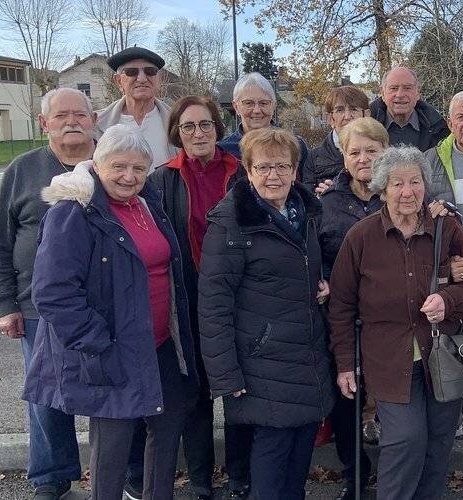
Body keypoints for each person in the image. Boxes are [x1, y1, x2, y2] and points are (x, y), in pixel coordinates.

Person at [25, 124, 198, 500]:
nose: (129, 176)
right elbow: (52, 292)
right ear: (98, 165)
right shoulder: (74, 213)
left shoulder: (148, 205)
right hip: (111, 345)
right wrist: (98, 341)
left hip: (160, 343)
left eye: (138, 168)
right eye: (119, 166)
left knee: (167, 428)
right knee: (113, 443)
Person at [328, 146, 463, 500]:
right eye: (397, 183)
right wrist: (344, 365)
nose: (407, 191)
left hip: (442, 357)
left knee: (439, 442)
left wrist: (448, 300)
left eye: (415, 182)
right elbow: (340, 304)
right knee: (405, 440)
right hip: (388, 360)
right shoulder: (362, 236)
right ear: (383, 188)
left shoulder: (447, 228)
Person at [197, 127, 335, 500]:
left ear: (295, 171)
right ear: (248, 170)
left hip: (306, 357)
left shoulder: (304, 212)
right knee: (271, 467)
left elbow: (302, 263)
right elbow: (213, 303)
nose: (273, 175)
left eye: (282, 166)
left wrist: (321, 280)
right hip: (261, 362)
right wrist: (225, 374)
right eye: (263, 167)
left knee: (298, 461)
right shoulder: (231, 222)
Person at [0, 87, 94, 500]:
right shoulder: (23, 170)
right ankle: (51, 476)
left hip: (101, 304)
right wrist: (5, 304)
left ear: (93, 118)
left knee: (111, 391)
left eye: (80, 114)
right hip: (36, 308)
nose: (72, 121)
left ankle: (121, 469)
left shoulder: (110, 164)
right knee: (47, 397)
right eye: (61, 115)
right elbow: (1, 242)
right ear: (43, 123)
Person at [144, 95, 243, 500]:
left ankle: (239, 475)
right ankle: (202, 479)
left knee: (239, 388)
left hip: (237, 296)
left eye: (205, 125)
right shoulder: (162, 179)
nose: (198, 133)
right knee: (195, 390)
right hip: (186, 297)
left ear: (218, 128)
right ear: (177, 133)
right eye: (188, 127)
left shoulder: (240, 172)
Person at [316, 116, 386, 499]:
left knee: (392, 399)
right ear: (344, 157)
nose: (364, 159)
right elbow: (314, 253)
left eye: (371, 151)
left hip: (388, 321)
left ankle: (394, 474)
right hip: (341, 319)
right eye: (355, 152)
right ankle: (354, 474)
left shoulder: (400, 195)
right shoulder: (325, 204)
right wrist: (321, 278)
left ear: (384, 153)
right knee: (347, 400)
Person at [218, 72, 319, 191]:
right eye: (249, 103)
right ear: (236, 106)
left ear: (274, 106)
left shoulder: (295, 146)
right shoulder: (223, 151)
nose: (256, 110)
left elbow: (307, 189)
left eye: (264, 103)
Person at [94, 47, 178, 168]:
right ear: (118, 81)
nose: (142, 79)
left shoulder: (178, 121)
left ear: (158, 79)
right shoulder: (98, 124)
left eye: (150, 71)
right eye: (131, 72)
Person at [368, 66, 450, 151]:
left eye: (407, 88)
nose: (400, 95)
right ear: (383, 94)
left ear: (417, 93)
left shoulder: (439, 130)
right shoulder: (365, 129)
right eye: (394, 88)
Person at [312, 86, 372, 188]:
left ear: (366, 115)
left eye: (353, 109)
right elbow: (307, 198)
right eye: (340, 110)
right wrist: (325, 197)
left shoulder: (381, 153)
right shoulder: (314, 158)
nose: (347, 117)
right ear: (330, 118)